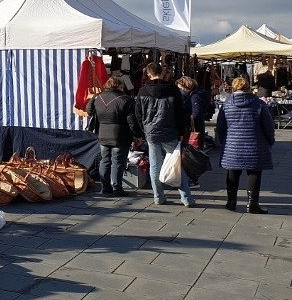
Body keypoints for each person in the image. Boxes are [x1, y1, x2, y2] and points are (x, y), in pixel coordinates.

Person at [135, 62, 196, 207]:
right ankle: (186, 198)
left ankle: (158, 196)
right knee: (176, 164)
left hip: (151, 132)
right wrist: (182, 132)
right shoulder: (173, 90)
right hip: (170, 131)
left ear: (148, 74)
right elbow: (180, 114)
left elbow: (138, 114)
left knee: (154, 166)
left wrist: (143, 130)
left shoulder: (142, 91)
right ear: (162, 73)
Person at [216, 77, 275, 213]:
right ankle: (252, 204)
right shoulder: (259, 104)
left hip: (232, 145)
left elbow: (220, 126)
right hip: (255, 144)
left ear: (233, 87)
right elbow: (268, 126)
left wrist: (223, 141)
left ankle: (231, 202)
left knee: (232, 173)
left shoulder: (227, 104)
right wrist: (270, 141)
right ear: (248, 87)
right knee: (254, 173)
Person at [86, 77, 143, 197]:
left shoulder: (98, 97)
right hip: (120, 135)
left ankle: (105, 187)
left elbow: (89, 110)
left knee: (105, 160)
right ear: (120, 86)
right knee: (118, 161)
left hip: (102, 133)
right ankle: (117, 187)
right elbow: (132, 121)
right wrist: (137, 135)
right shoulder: (125, 99)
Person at [176, 76, 209, 187]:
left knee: (192, 155)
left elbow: (196, 114)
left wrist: (184, 116)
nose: (180, 90)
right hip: (196, 127)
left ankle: (193, 179)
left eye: (181, 87)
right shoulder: (197, 94)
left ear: (186, 86)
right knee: (192, 154)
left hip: (193, 129)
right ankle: (192, 178)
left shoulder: (195, 96)